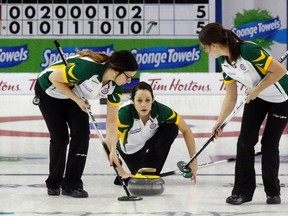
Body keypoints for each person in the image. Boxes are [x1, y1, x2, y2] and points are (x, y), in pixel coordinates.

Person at [198, 22, 288, 205]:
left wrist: (256, 90)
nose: (207, 52)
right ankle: (242, 192)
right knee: (244, 142)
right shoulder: (223, 62)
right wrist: (220, 122)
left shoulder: (248, 50)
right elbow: (230, 96)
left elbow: (280, 70)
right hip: (257, 97)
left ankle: (273, 192)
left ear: (213, 45)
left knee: (269, 145)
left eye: (206, 48)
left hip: (282, 97)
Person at [34, 48, 138, 198]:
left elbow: (112, 121)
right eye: (128, 77)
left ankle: (72, 184)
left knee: (82, 134)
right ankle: (54, 182)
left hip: (74, 94)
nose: (129, 81)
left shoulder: (116, 87)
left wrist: (113, 150)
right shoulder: (88, 69)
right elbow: (54, 79)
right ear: (117, 71)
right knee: (60, 138)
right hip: (49, 90)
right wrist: (77, 100)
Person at [111, 81, 198, 183]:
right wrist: (115, 159)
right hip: (130, 149)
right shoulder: (124, 113)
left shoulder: (160, 110)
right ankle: (135, 174)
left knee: (172, 128)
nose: (144, 105)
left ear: (152, 100)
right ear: (132, 101)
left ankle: (149, 172)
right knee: (141, 179)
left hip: (148, 140)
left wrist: (194, 160)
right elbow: (111, 138)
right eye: (139, 100)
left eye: (147, 100)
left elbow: (186, 129)